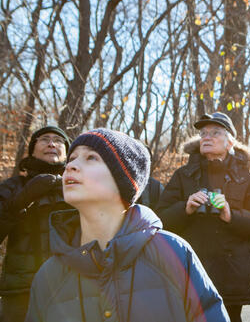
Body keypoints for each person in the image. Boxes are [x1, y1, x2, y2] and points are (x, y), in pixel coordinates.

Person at [25, 128, 229, 322]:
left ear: (123, 179)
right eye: (71, 159)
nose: (70, 166)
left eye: (91, 157)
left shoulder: (174, 253)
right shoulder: (48, 276)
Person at [157, 112, 250, 322]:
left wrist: (232, 216)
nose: (207, 137)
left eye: (215, 132)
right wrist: (186, 208)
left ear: (230, 142)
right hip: (189, 275)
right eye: (203, 133)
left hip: (231, 275)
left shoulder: (247, 177)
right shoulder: (183, 175)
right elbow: (160, 220)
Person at [0, 126, 71, 322]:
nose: (51, 143)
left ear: (67, 151)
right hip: (21, 291)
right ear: (32, 149)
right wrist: (18, 203)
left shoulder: (79, 186)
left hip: (73, 287)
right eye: (44, 139)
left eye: (58, 140)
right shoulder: (12, 186)